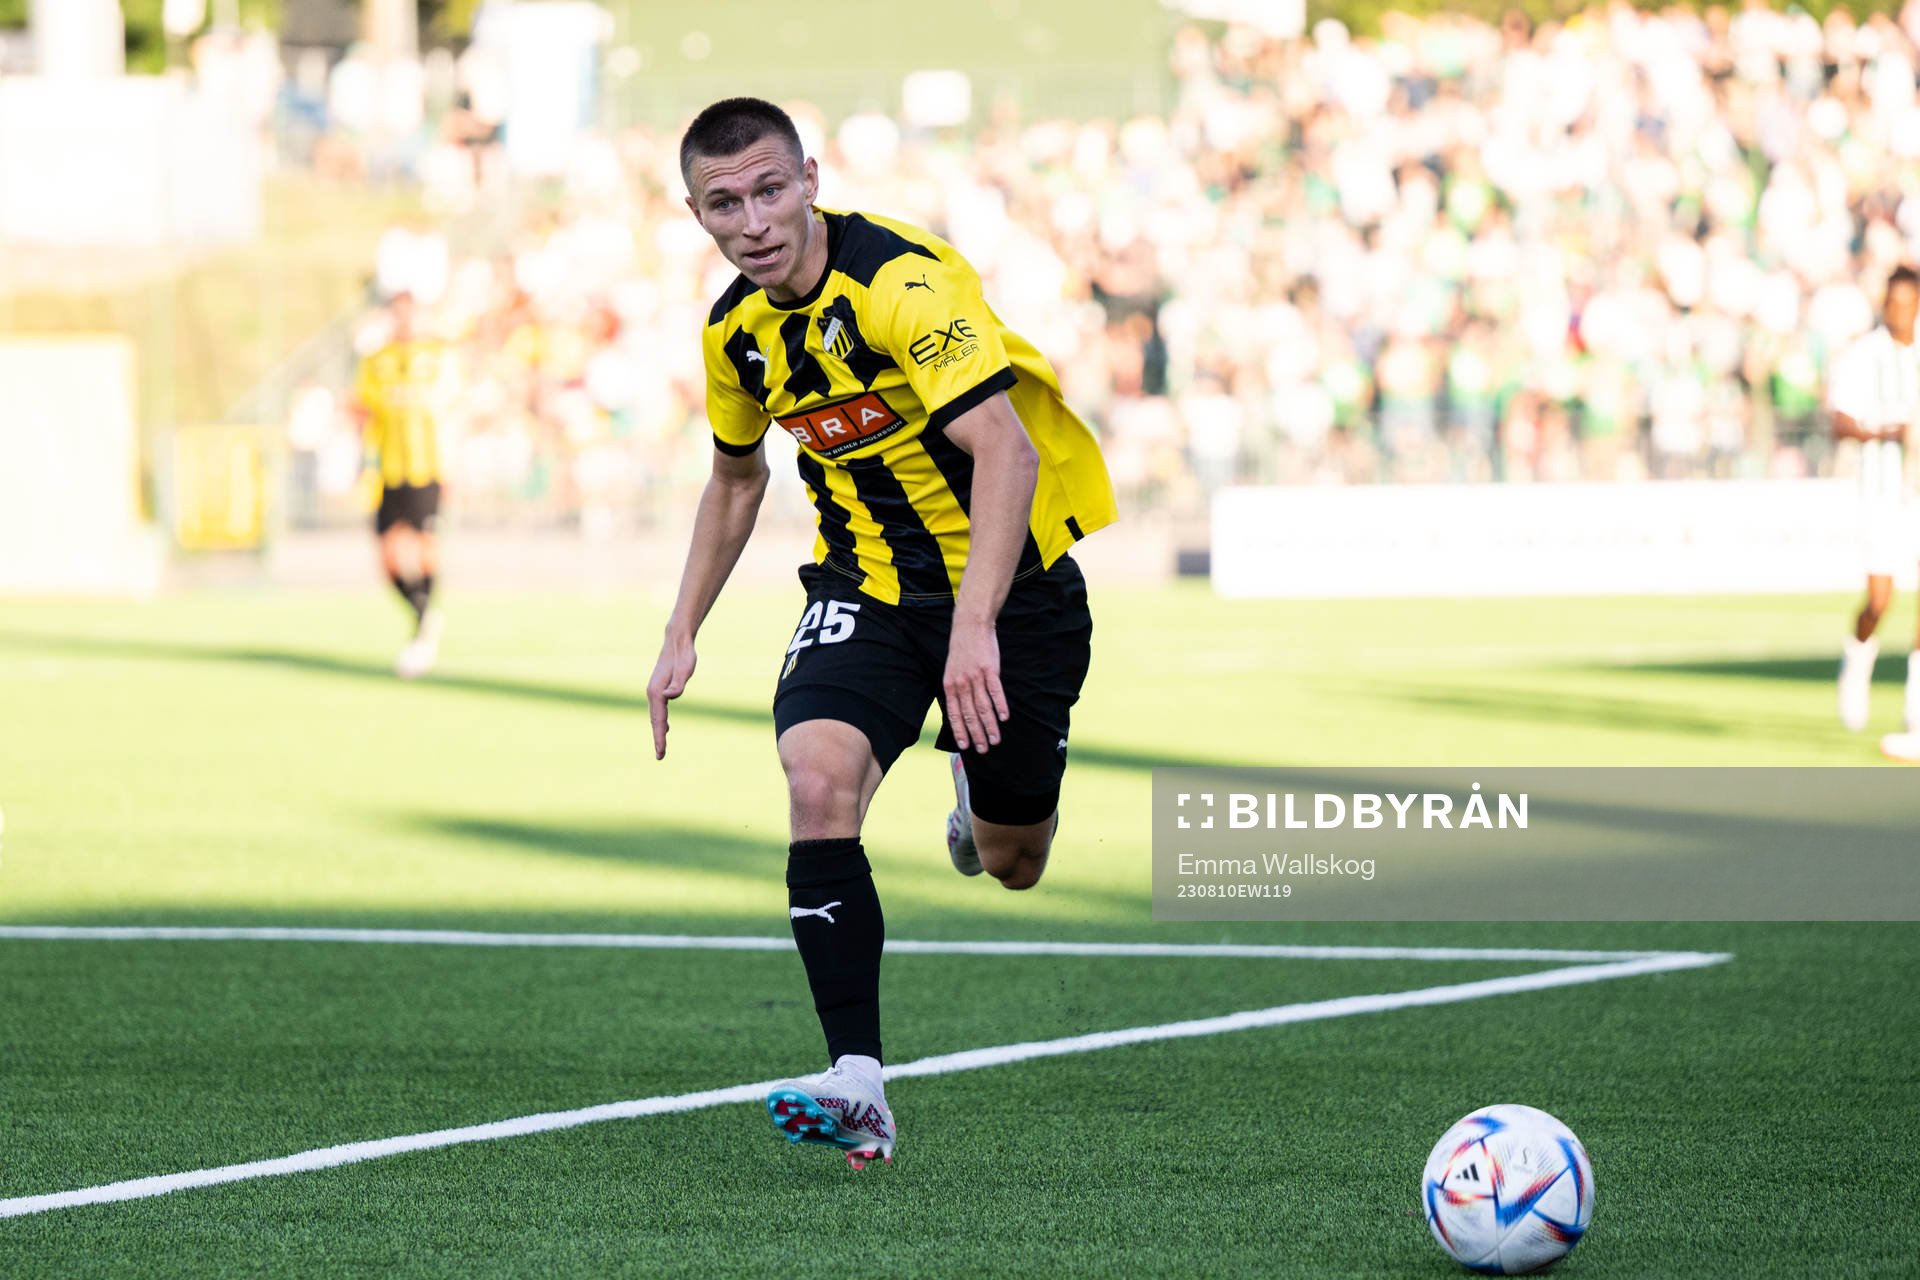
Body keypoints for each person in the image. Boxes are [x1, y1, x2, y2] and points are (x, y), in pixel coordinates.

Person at [646, 98, 1116, 1168]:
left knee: (1015, 860)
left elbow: (1006, 453)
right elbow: (734, 479)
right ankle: (857, 1077)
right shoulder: (735, 331)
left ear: (810, 177)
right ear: (696, 213)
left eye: (771, 189)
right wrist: (681, 627)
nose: (754, 220)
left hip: (1015, 591)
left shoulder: (905, 284)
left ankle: (977, 796)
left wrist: (977, 629)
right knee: (816, 781)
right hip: (867, 587)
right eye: (726, 203)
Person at [1829, 267, 1920, 754]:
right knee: (1880, 601)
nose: (1901, 313)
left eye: (1909, 304)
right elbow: (1840, 421)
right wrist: (1885, 433)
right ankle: (1857, 660)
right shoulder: (1865, 355)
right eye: (1894, 304)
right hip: (1881, 492)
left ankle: (1916, 711)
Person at [352, 291, 452, 678]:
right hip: (389, 469)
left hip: (428, 467)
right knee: (388, 553)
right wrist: (363, 461)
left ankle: (424, 624)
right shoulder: (376, 361)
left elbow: (452, 410)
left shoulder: (440, 358)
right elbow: (365, 412)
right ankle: (423, 613)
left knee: (426, 547)